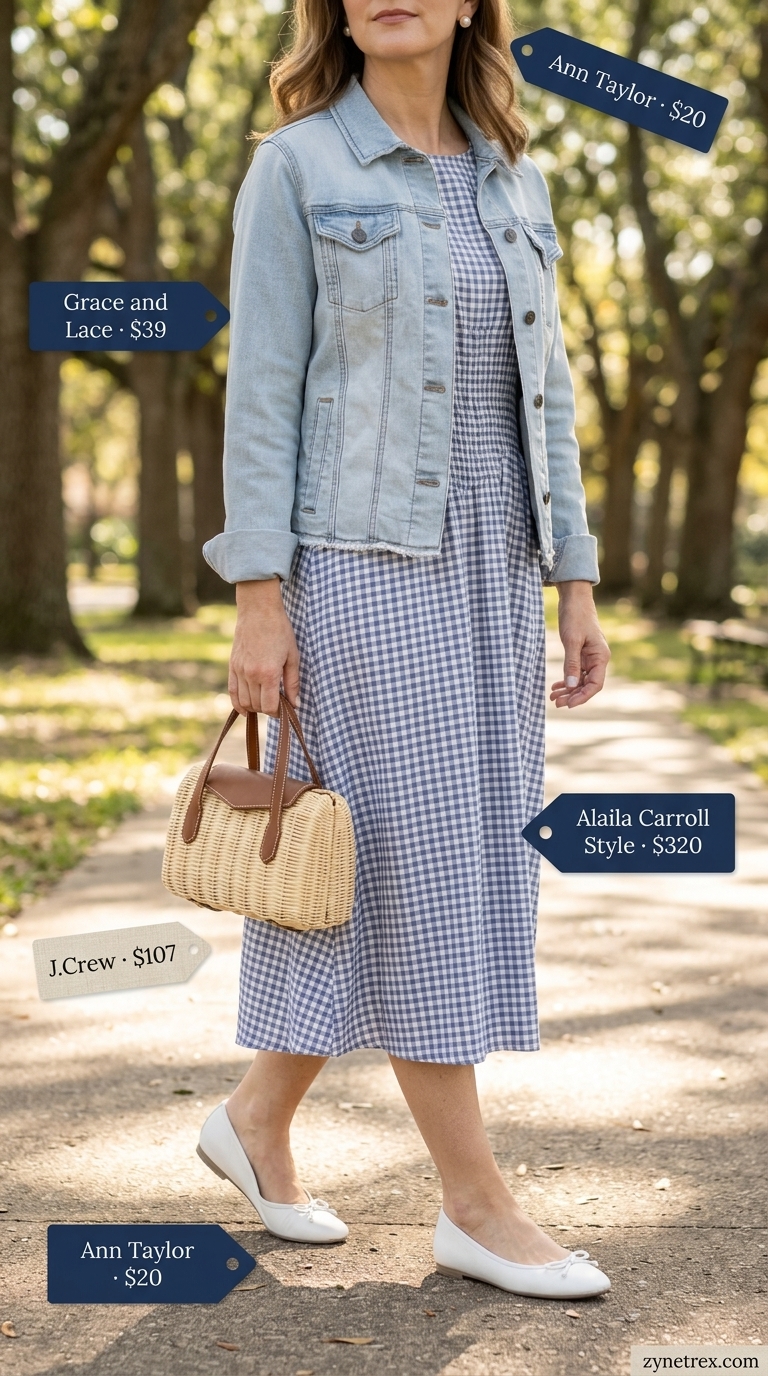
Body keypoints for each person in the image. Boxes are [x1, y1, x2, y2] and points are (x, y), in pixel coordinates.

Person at [197, 0, 612, 1300]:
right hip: (365, 563)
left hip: (496, 560)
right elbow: (261, 385)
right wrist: (259, 595)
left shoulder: (514, 176)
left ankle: (254, 1121)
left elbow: (542, 393)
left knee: (403, 856)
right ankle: (476, 1205)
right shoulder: (301, 167)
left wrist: (578, 576)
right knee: (426, 859)